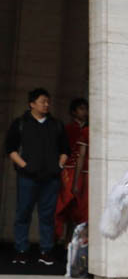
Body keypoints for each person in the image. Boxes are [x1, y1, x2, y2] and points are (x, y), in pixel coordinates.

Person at [5, 88, 70, 266]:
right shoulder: (20, 123)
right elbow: (10, 149)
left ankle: (46, 251)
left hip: (51, 178)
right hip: (27, 177)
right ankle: (21, 250)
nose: (46, 105)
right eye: (42, 101)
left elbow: (65, 150)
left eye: (48, 102)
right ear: (32, 104)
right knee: (23, 214)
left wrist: (59, 165)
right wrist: (25, 166)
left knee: (47, 216)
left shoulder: (56, 124)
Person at [54, 98, 90, 244]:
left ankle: (70, 243)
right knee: (66, 205)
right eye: (81, 109)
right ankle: (59, 239)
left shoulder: (89, 129)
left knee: (79, 209)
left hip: (83, 173)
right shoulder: (67, 129)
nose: (85, 112)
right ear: (73, 112)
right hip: (69, 171)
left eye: (86, 109)